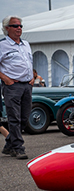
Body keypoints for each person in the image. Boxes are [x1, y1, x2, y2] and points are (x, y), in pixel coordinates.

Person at [0, 16, 33, 159]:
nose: (19, 28)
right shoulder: (2, 45)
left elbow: (29, 62)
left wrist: (32, 77)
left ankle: (9, 144)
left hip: (27, 85)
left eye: (20, 26)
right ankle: (19, 148)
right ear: (7, 28)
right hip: (12, 86)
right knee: (14, 118)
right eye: (15, 26)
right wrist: (6, 79)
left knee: (24, 118)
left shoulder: (26, 44)